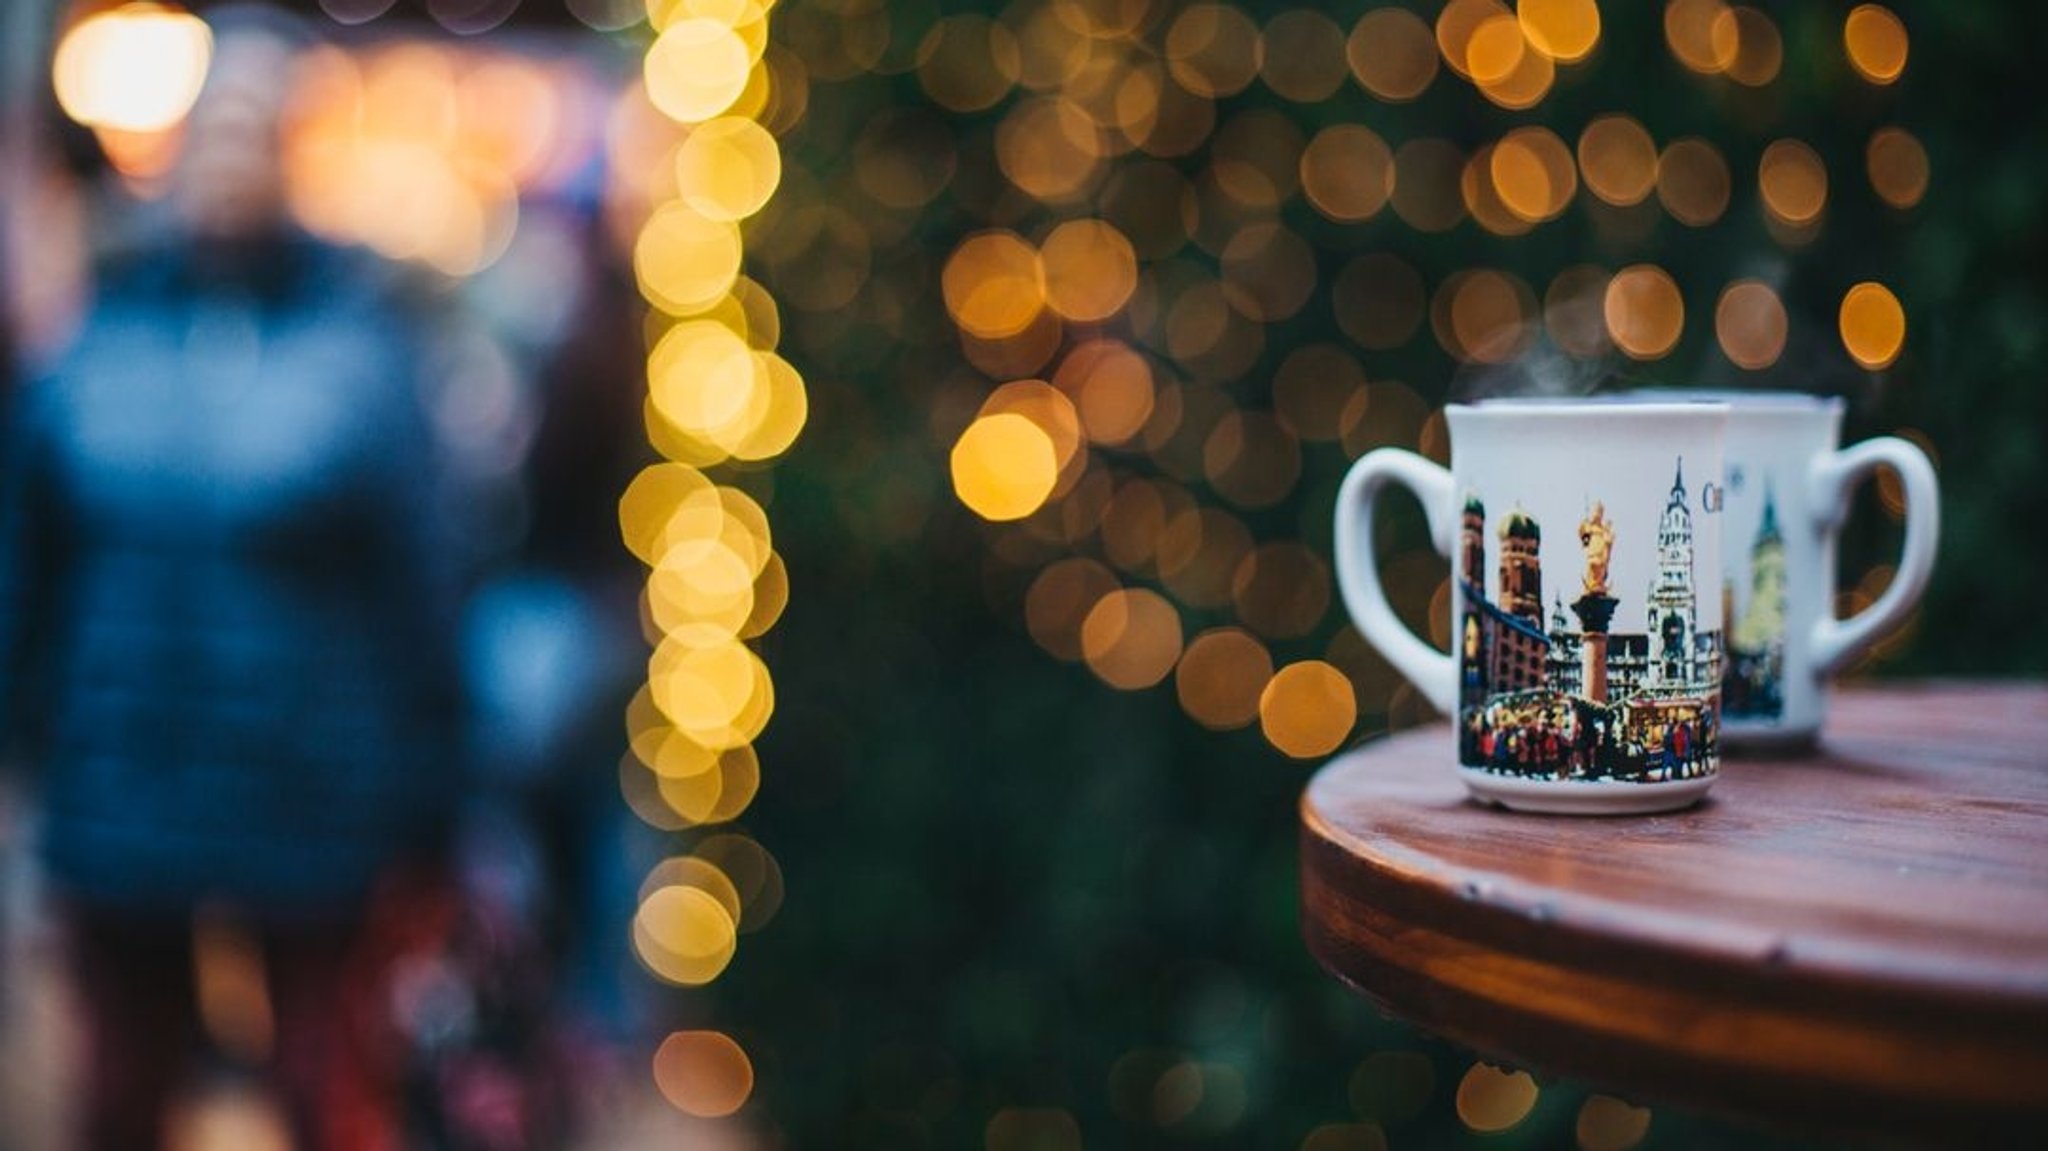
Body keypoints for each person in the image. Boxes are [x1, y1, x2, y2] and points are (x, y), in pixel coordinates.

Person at [0, 9, 462, 1148]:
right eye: (216, 125)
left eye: (258, 127)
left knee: (324, 1093)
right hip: (123, 786)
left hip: (314, 796)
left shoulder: (363, 344)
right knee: (116, 1094)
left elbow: (424, 578)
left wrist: (435, 793)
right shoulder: (99, 330)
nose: (230, 154)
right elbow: (35, 559)